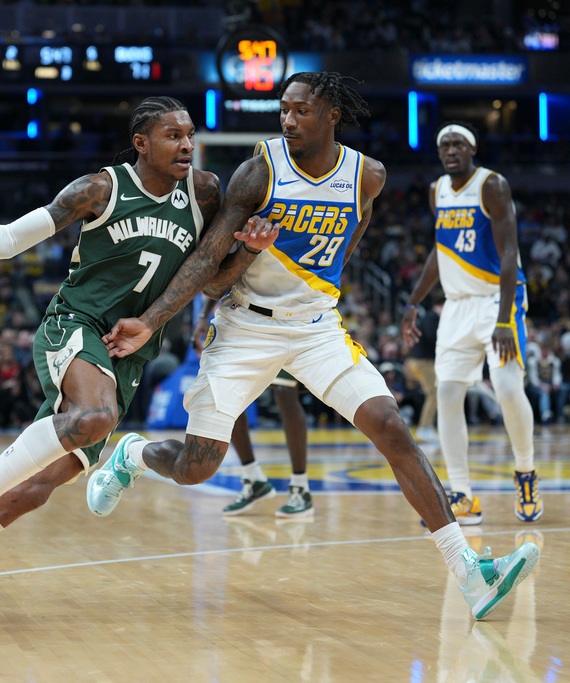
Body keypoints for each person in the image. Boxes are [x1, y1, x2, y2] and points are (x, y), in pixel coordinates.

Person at [96, 73, 538, 620]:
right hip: (245, 328)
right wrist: (153, 316)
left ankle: (471, 574)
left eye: (300, 111)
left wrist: (313, 291)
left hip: (314, 328)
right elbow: (210, 272)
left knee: (391, 426)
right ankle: (133, 454)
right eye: (283, 110)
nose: (287, 120)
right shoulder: (258, 172)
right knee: (196, 467)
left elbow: (348, 243)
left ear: (332, 116)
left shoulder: (366, 177)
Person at [0, 96, 273, 630]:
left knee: (32, 490)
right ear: (141, 143)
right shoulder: (98, 189)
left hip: (131, 351)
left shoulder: (204, 191)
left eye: (190, 134)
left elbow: (208, 277)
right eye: (172, 135)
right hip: (75, 325)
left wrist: (249, 252)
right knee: (95, 417)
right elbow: (9, 239)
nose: (187, 144)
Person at [401, 121, 542, 524]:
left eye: (457, 143)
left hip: (499, 300)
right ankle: (462, 493)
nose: (450, 149)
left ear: (472, 148)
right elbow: (441, 251)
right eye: (444, 144)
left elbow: (511, 250)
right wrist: (414, 300)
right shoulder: (436, 191)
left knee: (508, 388)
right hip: (458, 305)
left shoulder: (491, 185)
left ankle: (526, 471)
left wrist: (503, 320)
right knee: (446, 393)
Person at [193, 296, 312, 517]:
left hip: (288, 314)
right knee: (228, 393)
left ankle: (300, 486)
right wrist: (203, 315)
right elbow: (218, 272)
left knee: (285, 392)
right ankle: (253, 478)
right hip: (245, 318)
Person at [403, 297, 440, 443]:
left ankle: (427, 426)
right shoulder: (432, 318)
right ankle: (425, 428)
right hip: (422, 362)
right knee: (434, 393)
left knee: (431, 393)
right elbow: (433, 338)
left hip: (416, 361)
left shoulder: (427, 318)